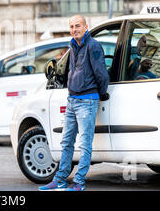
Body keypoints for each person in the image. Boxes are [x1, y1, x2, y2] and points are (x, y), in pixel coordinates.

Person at [39, 15, 109, 191]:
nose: (74, 29)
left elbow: (102, 74)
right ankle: (60, 179)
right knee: (67, 141)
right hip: (72, 99)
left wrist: (100, 94)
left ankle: (79, 182)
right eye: (71, 26)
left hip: (87, 100)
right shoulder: (72, 44)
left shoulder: (93, 46)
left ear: (86, 26)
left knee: (85, 143)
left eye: (78, 25)